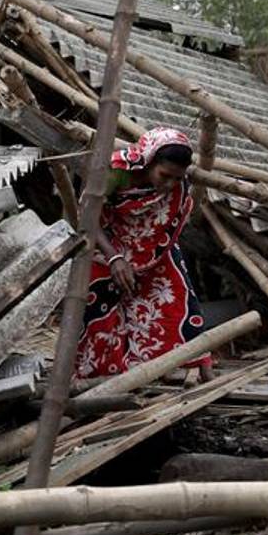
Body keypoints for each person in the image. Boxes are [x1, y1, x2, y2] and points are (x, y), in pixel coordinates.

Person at [75, 127, 214, 380]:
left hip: (154, 249)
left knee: (179, 303)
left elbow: (168, 221)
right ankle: (104, 376)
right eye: (165, 175)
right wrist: (114, 258)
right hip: (106, 244)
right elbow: (87, 216)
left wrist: (140, 256)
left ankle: (193, 371)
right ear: (149, 161)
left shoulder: (178, 183)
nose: (170, 185)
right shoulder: (115, 172)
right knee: (97, 304)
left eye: (177, 178)